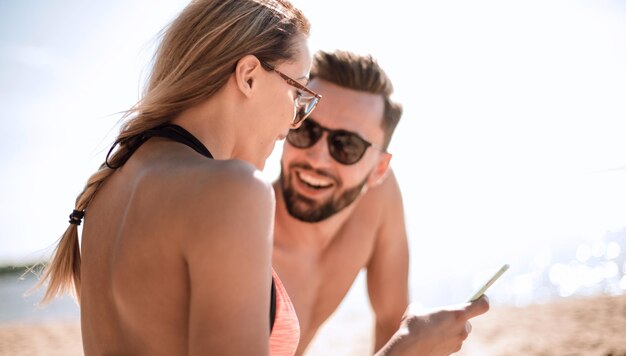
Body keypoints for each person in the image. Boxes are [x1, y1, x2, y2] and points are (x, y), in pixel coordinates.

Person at [37, 0, 317, 354]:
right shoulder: (233, 190)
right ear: (249, 76)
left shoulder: (105, 193)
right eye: (298, 92)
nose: (295, 121)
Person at [272, 50, 490, 355]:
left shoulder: (377, 200)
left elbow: (392, 323)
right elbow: (400, 343)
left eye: (346, 146)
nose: (317, 159)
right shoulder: (245, 242)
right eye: (306, 130)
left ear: (378, 170)